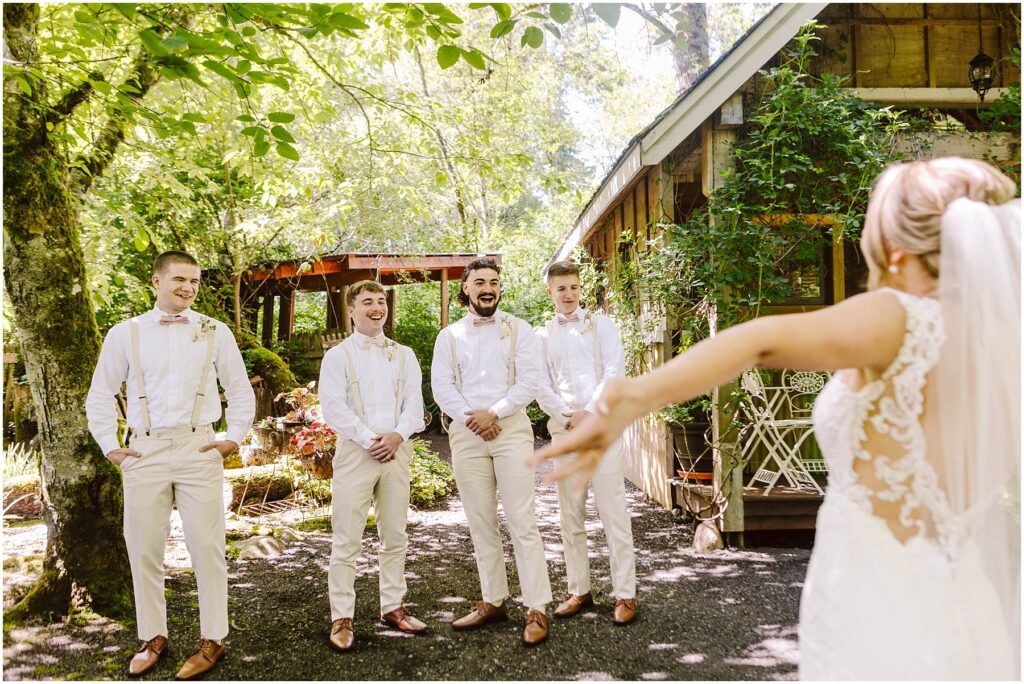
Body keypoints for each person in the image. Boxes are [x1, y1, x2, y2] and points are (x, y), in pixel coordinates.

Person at [531, 157, 1020, 680]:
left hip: (883, 586)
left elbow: (760, 342)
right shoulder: (1002, 346)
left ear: (897, 250)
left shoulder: (903, 317)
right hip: (965, 584)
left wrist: (632, 397)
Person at [86, 250, 255, 680]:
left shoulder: (213, 331)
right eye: (180, 279)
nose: (189, 288)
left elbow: (239, 388)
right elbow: (101, 394)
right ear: (156, 282)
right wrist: (111, 446)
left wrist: (231, 438)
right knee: (143, 549)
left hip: (199, 448)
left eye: (195, 281)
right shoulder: (125, 334)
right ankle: (152, 636)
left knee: (208, 547)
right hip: (144, 451)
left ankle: (213, 638)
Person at [431, 257, 553, 646]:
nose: (488, 287)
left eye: (494, 282)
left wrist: (494, 413)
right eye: (480, 281)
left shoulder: (520, 329)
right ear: (465, 288)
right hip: (467, 433)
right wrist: (473, 418)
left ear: (500, 288)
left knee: (522, 519)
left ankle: (537, 607)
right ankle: (493, 599)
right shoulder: (448, 336)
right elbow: (442, 386)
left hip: (510, 428)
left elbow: (530, 381)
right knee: (480, 520)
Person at [317, 280, 426, 652]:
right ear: (351, 310)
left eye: (381, 301)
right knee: (347, 539)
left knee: (395, 535)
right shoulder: (337, 357)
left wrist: (396, 435)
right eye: (367, 302)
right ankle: (342, 617)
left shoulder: (404, 354)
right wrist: (370, 439)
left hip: (397, 451)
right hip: (355, 453)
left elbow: (415, 404)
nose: (377, 307)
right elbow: (333, 408)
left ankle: (393, 606)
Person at [535, 260, 637, 625]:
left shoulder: (602, 325)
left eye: (574, 287)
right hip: (565, 430)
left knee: (613, 512)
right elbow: (540, 384)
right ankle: (579, 589)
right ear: (550, 291)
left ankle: (625, 593)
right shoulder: (541, 336)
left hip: (601, 429)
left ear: (580, 289)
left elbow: (614, 372)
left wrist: (589, 414)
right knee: (570, 514)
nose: (569, 294)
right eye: (561, 288)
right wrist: (566, 416)